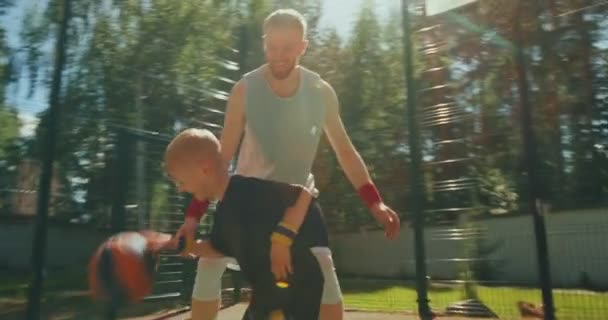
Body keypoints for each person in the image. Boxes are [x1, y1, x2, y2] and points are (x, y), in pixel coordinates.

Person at [177, 8, 402, 320]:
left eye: (288, 47)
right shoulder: (245, 89)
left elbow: (345, 152)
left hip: (293, 207)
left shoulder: (320, 92)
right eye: (272, 47)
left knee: (324, 275)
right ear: (264, 43)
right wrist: (192, 218)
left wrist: (374, 203)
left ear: (303, 47)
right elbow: (221, 159)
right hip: (247, 205)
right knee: (209, 264)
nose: (279, 55)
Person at [165, 128, 328, 319]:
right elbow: (219, 247)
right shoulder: (224, 212)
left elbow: (302, 194)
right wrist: (190, 246)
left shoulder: (248, 190)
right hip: (269, 294)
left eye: (182, 181)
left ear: (205, 169)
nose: (181, 188)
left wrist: (282, 240)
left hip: (298, 287)